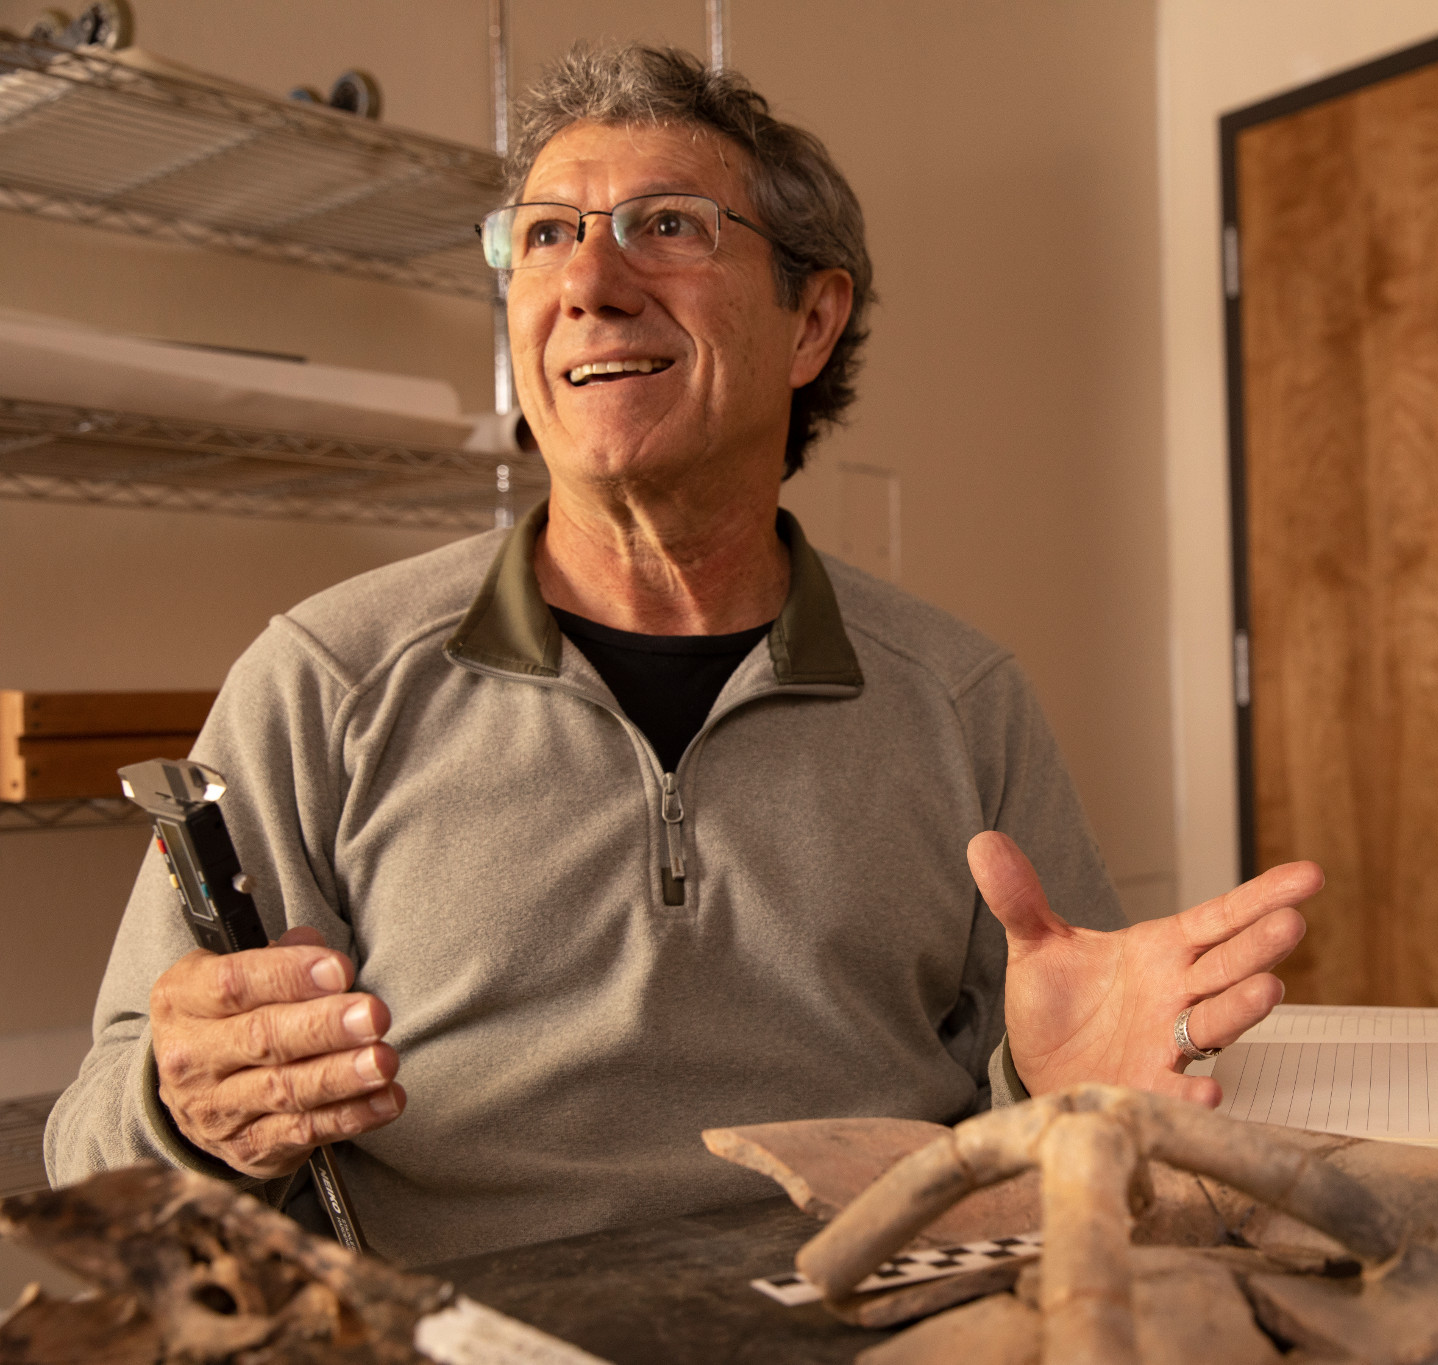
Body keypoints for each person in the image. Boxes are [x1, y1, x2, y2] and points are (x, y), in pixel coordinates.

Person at [46, 44, 1320, 1268]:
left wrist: (1043, 1086)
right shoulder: (324, 678)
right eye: (544, 234)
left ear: (811, 320)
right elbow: (89, 1152)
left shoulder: (962, 698)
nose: (586, 284)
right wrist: (184, 1108)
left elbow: (1062, 1094)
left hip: (868, 1311)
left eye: (666, 226)